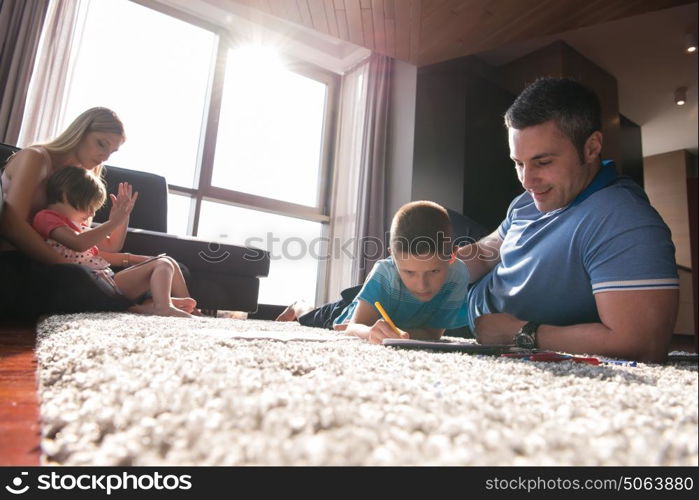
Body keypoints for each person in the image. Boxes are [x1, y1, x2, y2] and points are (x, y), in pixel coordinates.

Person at [458, 77, 678, 363]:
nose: (526, 181)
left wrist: (520, 334)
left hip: (472, 331)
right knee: (411, 248)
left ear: (591, 147)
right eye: (518, 163)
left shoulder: (624, 220)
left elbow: (643, 343)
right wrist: (437, 273)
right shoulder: (529, 200)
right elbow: (488, 252)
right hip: (452, 302)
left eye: (543, 162)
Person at [0, 107, 172, 317]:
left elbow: (88, 244)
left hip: (63, 267)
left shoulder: (83, 180)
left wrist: (121, 218)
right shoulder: (35, 158)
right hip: (16, 259)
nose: (105, 157)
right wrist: (68, 266)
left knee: (170, 267)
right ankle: (136, 308)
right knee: (79, 277)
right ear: (81, 131)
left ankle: (149, 304)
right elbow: (11, 224)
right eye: (101, 144)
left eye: (111, 152)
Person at [280, 201, 471, 344]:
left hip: (386, 302)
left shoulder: (459, 274)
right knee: (310, 318)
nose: (422, 285)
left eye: (434, 271)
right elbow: (352, 327)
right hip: (349, 310)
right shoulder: (384, 272)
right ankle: (298, 305)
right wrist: (370, 331)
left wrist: (400, 333)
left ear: (452, 256)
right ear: (394, 260)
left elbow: (432, 334)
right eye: (409, 272)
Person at [32, 166, 197, 317]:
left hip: (107, 281)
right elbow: (78, 243)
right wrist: (112, 222)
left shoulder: (78, 225)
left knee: (167, 262)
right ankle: (162, 307)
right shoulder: (46, 217)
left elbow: (113, 245)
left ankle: (184, 308)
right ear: (67, 195)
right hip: (87, 286)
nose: (91, 214)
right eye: (89, 206)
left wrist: (122, 217)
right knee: (162, 265)